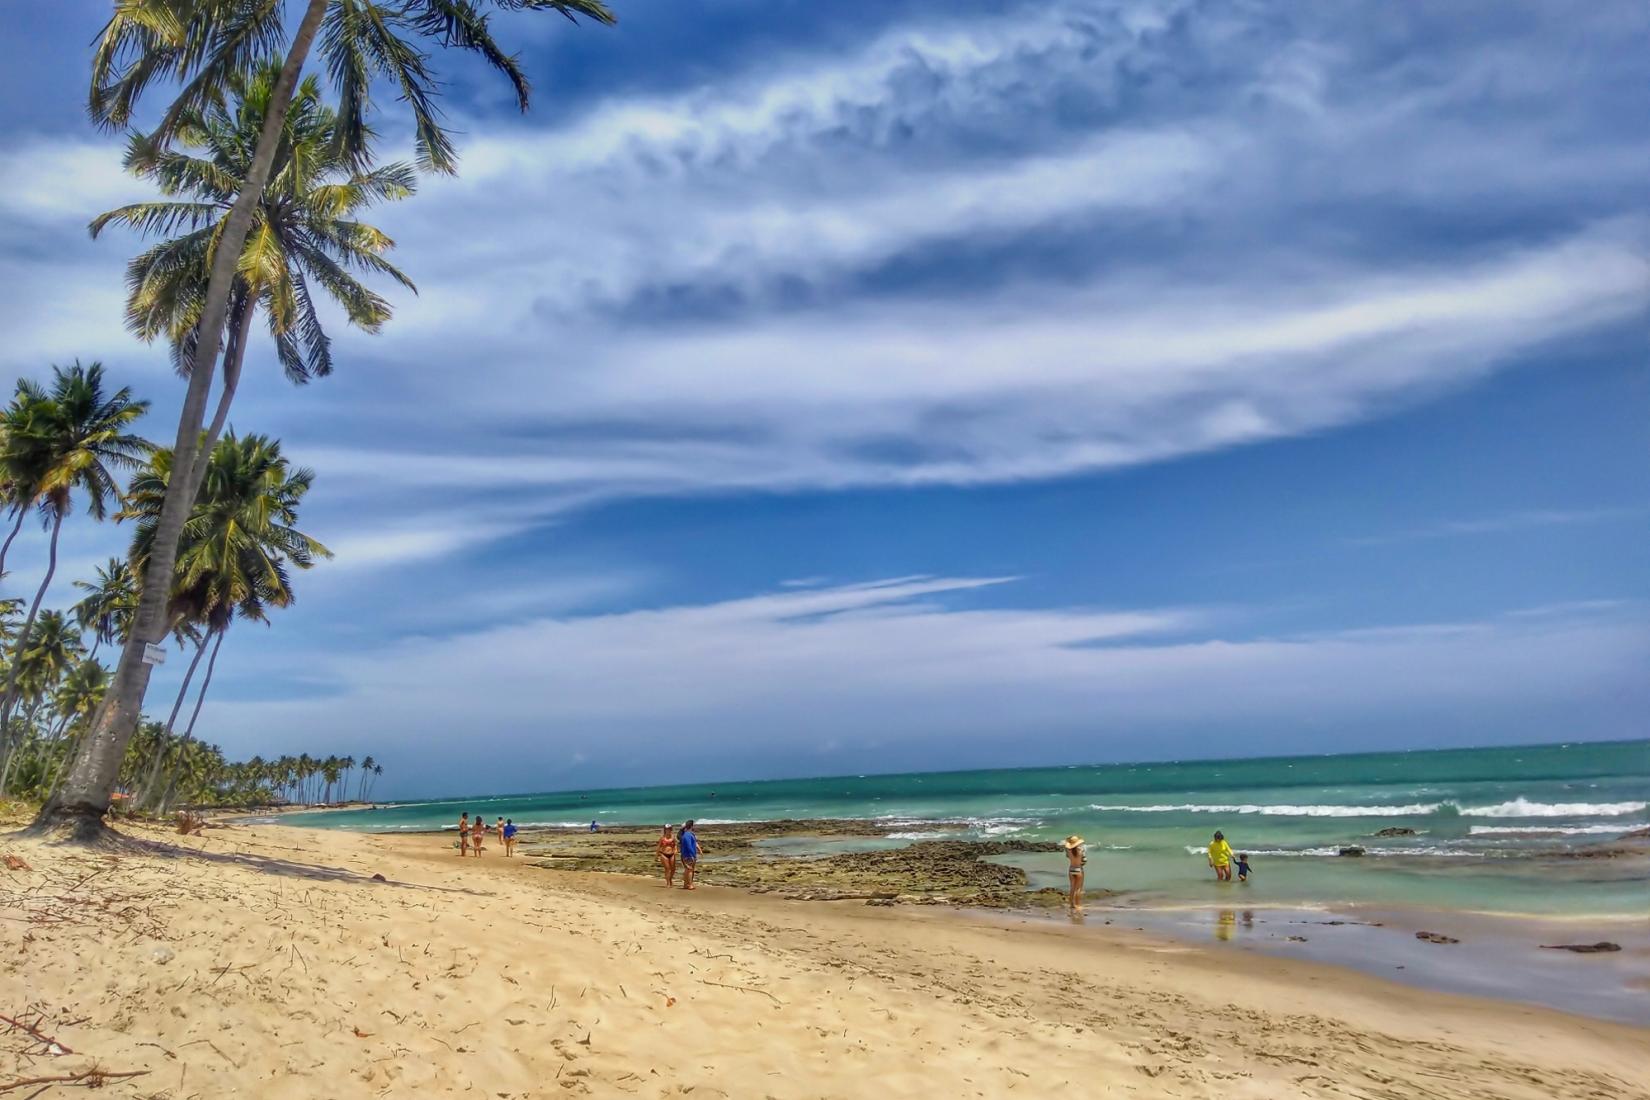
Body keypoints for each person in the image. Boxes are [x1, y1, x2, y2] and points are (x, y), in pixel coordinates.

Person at [1063, 834, 1087, 912]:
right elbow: (1084, 860)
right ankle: (1078, 904)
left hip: (1071, 869)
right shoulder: (1081, 850)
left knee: (1072, 887)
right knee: (1078, 889)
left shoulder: (1069, 852)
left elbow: (1067, 849)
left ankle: (1071, 904)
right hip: (1078, 869)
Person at [678, 820, 700, 890]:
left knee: (687, 870)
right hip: (688, 855)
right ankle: (689, 885)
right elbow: (689, 846)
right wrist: (693, 855)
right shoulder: (687, 835)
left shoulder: (687, 834)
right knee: (690, 870)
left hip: (686, 855)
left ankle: (685, 884)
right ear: (691, 826)